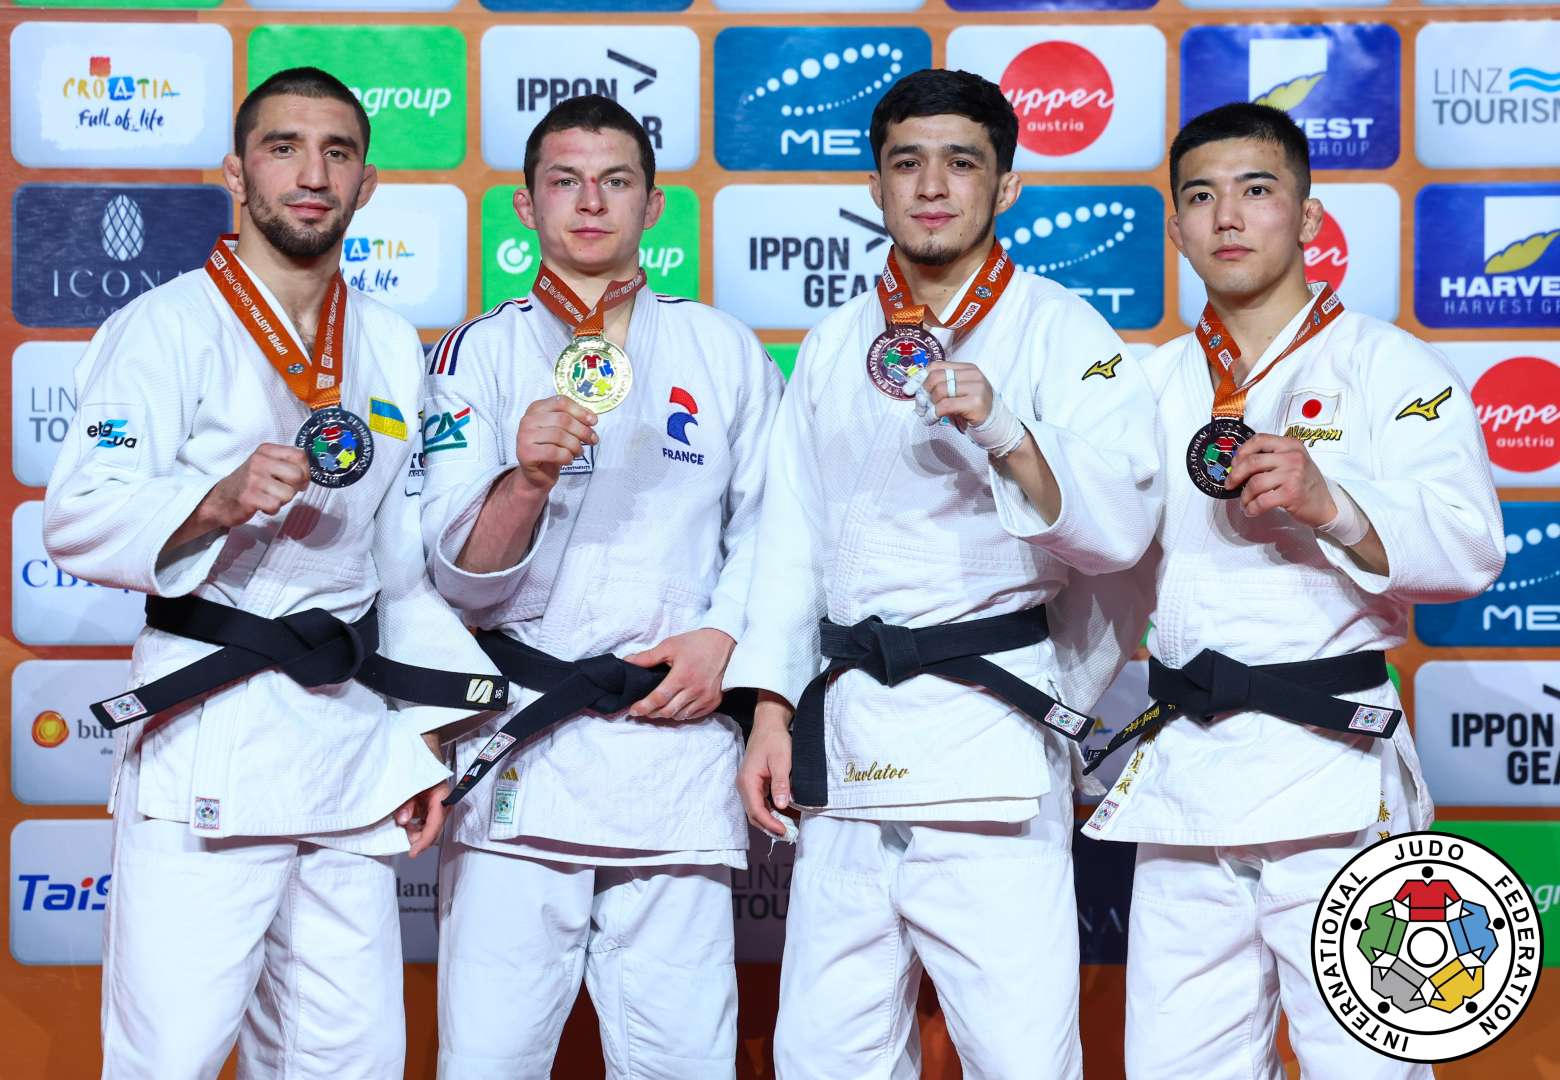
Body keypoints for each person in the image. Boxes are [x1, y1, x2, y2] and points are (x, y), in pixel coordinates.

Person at [42, 67, 502, 1079]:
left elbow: (398, 565)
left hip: (344, 748)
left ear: (366, 184)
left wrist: (418, 737)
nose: (311, 173)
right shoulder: (163, 328)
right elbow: (75, 517)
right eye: (284, 147)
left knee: (354, 1056)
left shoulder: (384, 340)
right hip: (213, 735)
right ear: (236, 172)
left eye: (337, 151)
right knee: (170, 1055)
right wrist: (212, 499)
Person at [728, 68, 1163, 1079]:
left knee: (1019, 1058)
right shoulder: (840, 342)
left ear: (1004, 187)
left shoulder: (1065, 333)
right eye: (906, 163)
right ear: (875, 187)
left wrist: (1007, 427)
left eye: (961, 163)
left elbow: (1122, 531)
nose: (932, 185)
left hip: (988, 743)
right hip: (846, 752)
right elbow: (793, 542)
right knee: (822, 1056)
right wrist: (770, 708)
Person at [1080, 102, 1505, 1079]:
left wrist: (1334, 503)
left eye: (1257, 190)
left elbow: (1474, 546)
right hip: (1186, 779)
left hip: (1335, 769)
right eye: (1202, 195)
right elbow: (1096, 575)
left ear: (1309, 218)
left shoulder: (1388, 365)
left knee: (1368, 1068)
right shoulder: (1146, 385)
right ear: (1177, 227)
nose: (1229, 215)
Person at [419, 94, 782, 1079]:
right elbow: (449, 573)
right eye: (565, 182)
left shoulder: (723, 350)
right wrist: (523, 480)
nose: (591, 203)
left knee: (685, 1063)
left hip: (674, 750)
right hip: (523, 750)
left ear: (654, 204)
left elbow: (774, 535)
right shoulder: (475, 357)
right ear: (525, 207)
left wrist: (728, 643)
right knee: (487, 1060)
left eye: (615, 181)